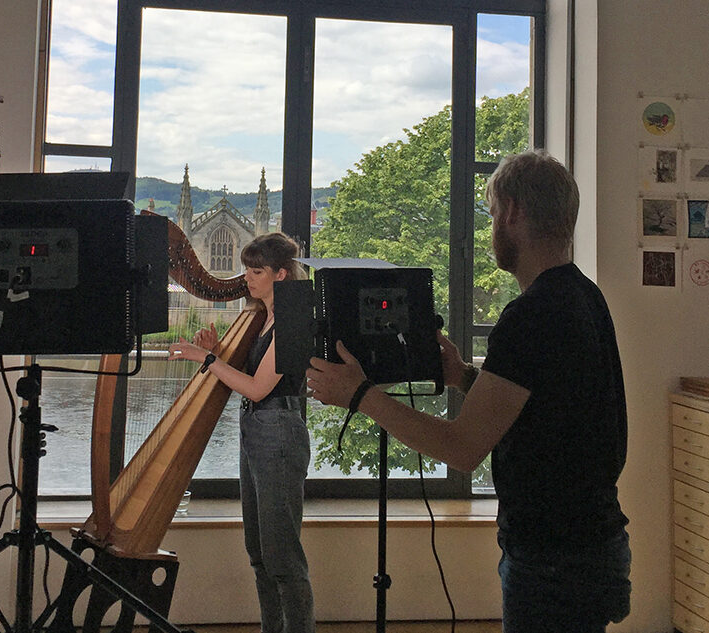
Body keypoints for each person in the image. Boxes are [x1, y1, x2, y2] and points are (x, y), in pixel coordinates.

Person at [305, 150, 631, 633]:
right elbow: (543, 409)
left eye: (493, 212)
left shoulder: (530, 316)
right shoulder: (583, 294)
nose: (492, 226)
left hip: (552, 560)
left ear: (514, 213)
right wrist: (461, 375)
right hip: (591, 542)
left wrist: (361, 395)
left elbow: (461, 449)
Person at [168, 232, 315, 633]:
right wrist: (218, 349)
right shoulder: (262, 316)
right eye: (246, 270)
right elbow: (250, 376)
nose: (245, 278)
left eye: (256, 271)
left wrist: (207, 358)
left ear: (281, 275)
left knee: (283, 557)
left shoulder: (293, 321)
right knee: (259, 554)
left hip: (279, 432)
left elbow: (257, 388)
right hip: (257, 428)